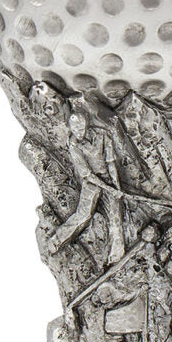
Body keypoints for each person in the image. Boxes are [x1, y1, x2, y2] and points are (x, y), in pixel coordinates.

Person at [48, 109, 125, 265]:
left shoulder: (102, 135)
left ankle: (117, 255)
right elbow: (87, 174)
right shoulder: (73, 144)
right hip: (91, 182)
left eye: (80, 128)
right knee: (83, 215)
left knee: (115, 216)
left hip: (107, 179)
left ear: (86, 125)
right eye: (74, 129)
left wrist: (116, 187)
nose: (78, 132)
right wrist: (108, 188)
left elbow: (111, 163)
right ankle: (56, 241)